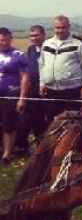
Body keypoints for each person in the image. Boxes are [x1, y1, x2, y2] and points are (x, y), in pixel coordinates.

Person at [39, 15, 82, 126]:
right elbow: (42, 64)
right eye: (57, 28)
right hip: (51, 91)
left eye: (63, 27)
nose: (60, 30)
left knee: (74, 124)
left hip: (72, 91)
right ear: (53, 28)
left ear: (69, 27)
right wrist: (42, 83)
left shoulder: (78, 43)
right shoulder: (47, 43)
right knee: (52, 123)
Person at [15, 25, 47, 153]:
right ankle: (32, 145)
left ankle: (45, 146)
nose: (34, 38)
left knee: (46, 120)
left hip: (46, 89)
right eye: (31, 36)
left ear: (43, 35)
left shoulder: (50, 48)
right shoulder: (30, 49)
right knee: (32, 118)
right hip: (32, 89)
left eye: (36, 35)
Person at [0, 27, 30, 165]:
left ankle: (7, 154)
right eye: (1, 40)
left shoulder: (19, 55)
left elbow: (25, 78)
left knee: (9, 125)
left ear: (11, 39)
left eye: (6, 40)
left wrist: (22, 98)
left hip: (11, 95)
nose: (4, 43)